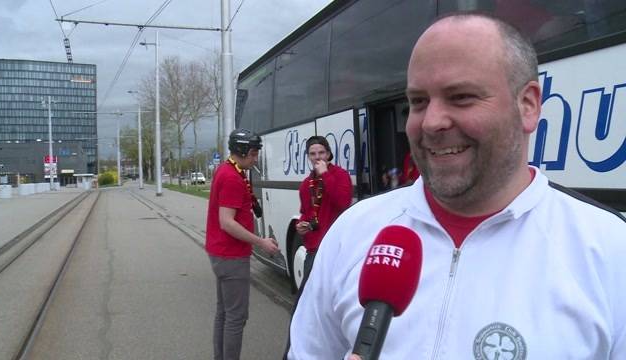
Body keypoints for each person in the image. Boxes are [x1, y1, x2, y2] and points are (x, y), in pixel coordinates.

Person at [288, 12, 626, 359]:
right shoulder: (352, 232)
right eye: (418, 101)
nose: (431, 122)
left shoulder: (611, 250)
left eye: (461, 97)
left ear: (527, 105)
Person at [206, 128, 279, 360]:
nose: (256, 158)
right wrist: (261, 242)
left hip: (221, 253)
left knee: (224, 314)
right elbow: (227, 222)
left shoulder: (227, 170)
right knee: (236, 318)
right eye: (254, 153)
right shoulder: (231, 178)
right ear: (242, 151)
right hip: (231, 256)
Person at [295, 135, 352, 285]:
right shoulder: (306, 184)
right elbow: (306, 213)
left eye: (321, 153)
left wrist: (325, 175)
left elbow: (343, 203)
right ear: (308, 157)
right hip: (314, 249)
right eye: (313, 154)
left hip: (336, 248)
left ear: (328, 154)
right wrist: (301, 224)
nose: (317, 157)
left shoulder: (341, 175)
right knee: (309, 295)